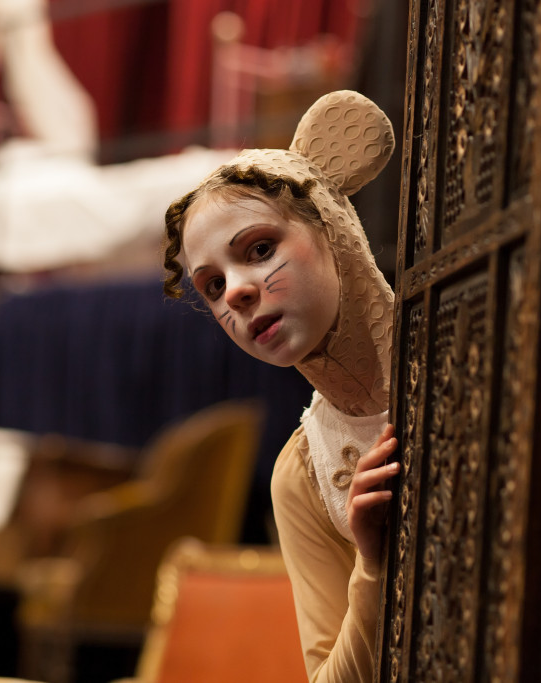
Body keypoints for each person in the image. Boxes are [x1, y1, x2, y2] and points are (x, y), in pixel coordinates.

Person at [161, 90, 399, 681]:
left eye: (260, 250)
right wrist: (373, 566)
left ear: (332, 230)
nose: (237, 292)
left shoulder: (471, 340)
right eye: (212, 286)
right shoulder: (303, 477)